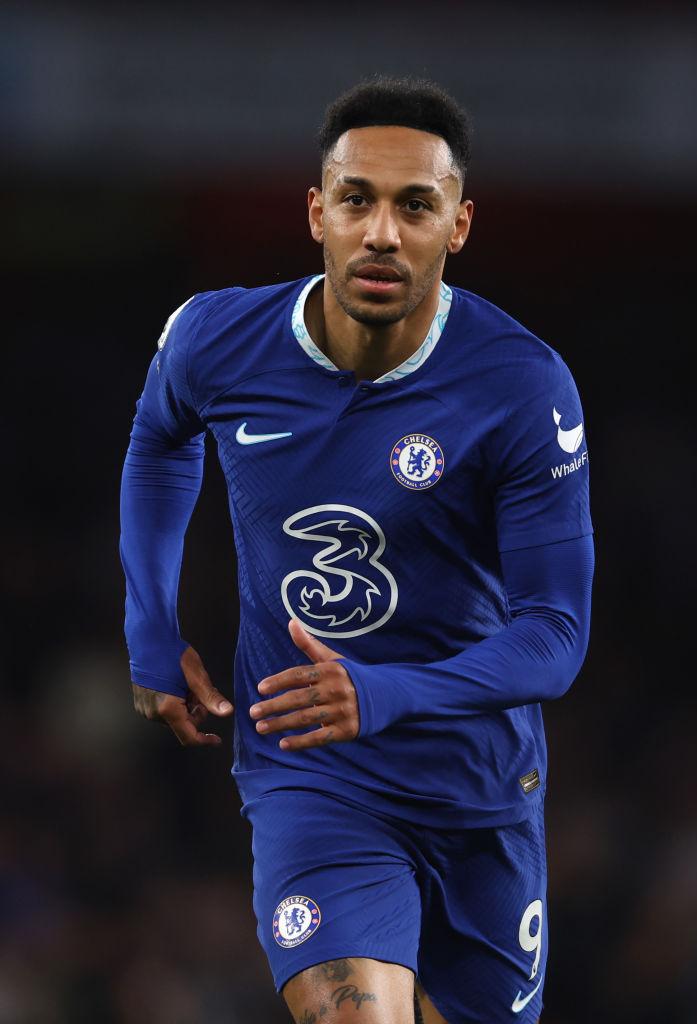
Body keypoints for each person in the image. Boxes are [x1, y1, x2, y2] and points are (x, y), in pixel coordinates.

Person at [120, 76, 593, 1024]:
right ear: (316, 214)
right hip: (312, 774)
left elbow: (555, 634)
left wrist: (381, 693)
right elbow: (159, 437)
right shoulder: (218, 338)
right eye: (356, 200)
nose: (381, 232)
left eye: (414, 206)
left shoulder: (520, 386)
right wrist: (150, 630)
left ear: (457, 226)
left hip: (476, 789)